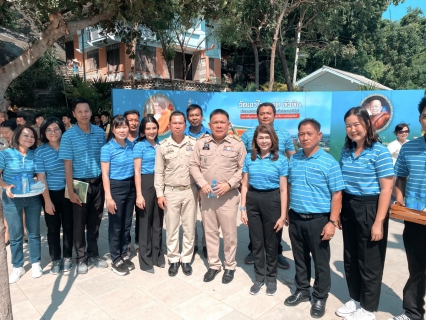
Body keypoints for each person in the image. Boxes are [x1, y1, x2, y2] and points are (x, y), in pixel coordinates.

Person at [336, 107, 394, 320]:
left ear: (367, 124)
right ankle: (355, 299)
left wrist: (379, 221)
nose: (352, 129)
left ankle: (368, 309)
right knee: (350, 256)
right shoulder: (346, 150)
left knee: (370, 260)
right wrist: (340, 211)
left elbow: (387, 189)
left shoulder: (380, 151)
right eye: (349, 125)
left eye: (356, 124)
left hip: (371, 207)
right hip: (350, 206)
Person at [284, 118, 344, 318]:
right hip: (296, 217)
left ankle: (320, 296)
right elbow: (289, 186)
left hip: (319, 220)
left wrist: (332, 222)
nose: (305, 137)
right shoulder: (295, 159)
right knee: (300, 259)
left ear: (319, 136)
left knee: (320, 262)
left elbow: (337, 194)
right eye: (301, 134)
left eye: (309, 133)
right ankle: (302, 290)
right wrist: (286, 213)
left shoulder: (329, 163)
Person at [190, 109, 246, 284]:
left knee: (229, 234)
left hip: (228, 196)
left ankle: (230, 266)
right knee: (210, 231)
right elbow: (193, 165)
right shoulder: (201, 143)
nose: (219, 125)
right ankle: (214, 265)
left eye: (223, 122)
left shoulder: (237, 144)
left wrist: (229, 184)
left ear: (228, 124)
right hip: (207, 195)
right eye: (216, 122)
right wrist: (202, 184)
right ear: (210, 125)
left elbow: (243, 169)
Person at [241, 102, 295, 268]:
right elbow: (240, 157)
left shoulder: (284, 135)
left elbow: (291, 156)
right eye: (262, 113)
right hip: (253, 186)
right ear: (257, 116)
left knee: (275, 222)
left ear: (274, 115)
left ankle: (276, 252)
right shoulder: (248, 134)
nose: (265, 116)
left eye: (268, 113)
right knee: (254, 224)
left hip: (276, 187)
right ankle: (254, 249)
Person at [58, 97, 108, 274]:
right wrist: (71, 191)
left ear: (91, 112)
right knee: (78, 223)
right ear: (73, 114)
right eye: (79, 111)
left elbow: (104, 160)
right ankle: (80, 258)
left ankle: (93, 254)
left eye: (86, 111)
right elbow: (67, 165)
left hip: (98, 183)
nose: (84, 114)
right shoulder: (68, 136)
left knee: (95, 221)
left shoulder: (100, 133)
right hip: (79, 183)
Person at [239, 124, 288, 296]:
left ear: (273, 139)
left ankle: (272, 278)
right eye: (261, 137)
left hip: (272, 200)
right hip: (253, 200)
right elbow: (244, 184)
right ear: (256, 140)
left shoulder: (280, 160)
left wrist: (283, 215)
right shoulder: (249, 159)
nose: (264, 141)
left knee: (271, 243)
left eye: (267, 137)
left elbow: (283, 189)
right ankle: (259, 278)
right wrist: (243, 208)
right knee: (257, 243)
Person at [389, 97, 426, 320]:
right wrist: (400, 199)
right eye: (424, 116)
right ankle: (413, 312)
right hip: (415, 217)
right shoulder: (409, 147)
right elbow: (400, 177)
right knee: (417, 268)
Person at [154, 111, 197, 277]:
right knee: (171, 228)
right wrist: (160, 194)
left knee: (189, 227)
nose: (178, 126)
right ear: (169, 125)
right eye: (174, 123)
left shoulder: (194, 143)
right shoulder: (163, 146)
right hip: (170, 191)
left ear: (185, 125)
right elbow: (159, 172)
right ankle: (173, 259)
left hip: (190, 190)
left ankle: (186, 259)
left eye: (181, 123)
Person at [0, 125, 43, 283]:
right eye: (26, 136)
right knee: (16, 234)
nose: (29, 139)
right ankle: (17, 266)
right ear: (17, 136)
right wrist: (5, 186)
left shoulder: (35, 155)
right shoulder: (5, 155)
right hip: (12, 198)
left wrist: (38, 181)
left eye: (32, 136)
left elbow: (39, 175)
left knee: (34, 232)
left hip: (32, 198)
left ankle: (36, 262)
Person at [35, 118, 73, 275]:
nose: (53, 132)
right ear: (44, 132)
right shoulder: (40, 151)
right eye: (49, 129)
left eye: (56, 129)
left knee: (69, 226)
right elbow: (41, 177)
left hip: (69, 192)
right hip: (50, 193)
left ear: (62, 130)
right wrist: (47, 201)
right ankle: (56, 259)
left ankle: (68, 257)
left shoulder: (68, 147)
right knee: (53, 228)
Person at [101, 115, 136, 276]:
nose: (122, 130)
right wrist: (108, 197)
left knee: (126, 224)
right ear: (113, 129)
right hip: (115, 187)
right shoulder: (107, 148)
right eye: (118, 127)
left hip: (131, 186)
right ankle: (115, 259)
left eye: (124, 127)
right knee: (115, 225)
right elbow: (105, 175)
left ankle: (123, 253)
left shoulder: (131, 145)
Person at [134, 116, 165, 273]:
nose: (151, 131)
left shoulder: (161, 144)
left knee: (158, 222)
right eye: (148, 129)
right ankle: (145, 260)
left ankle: (157, 255)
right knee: (145, 221)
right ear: (143, 130)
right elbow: (137, 171)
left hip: (160, 183)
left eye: (154, 128)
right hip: (145, 182)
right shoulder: (139, 146)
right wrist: (139, 194)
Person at [184, 104, 210, 258]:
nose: (194, 118)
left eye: (197, 115)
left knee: (207, 215)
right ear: (188, 118)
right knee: (190, 216)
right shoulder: (182, 135)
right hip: (188, 182)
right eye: (191, 115)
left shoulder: (210, 135)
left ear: (201, 116)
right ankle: (192, 244)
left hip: (206, 183)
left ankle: (207, 244)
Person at [124, 109, 141, 255]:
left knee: (142, 214)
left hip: (142, 182)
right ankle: (126, 243)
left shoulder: (144, 139)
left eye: (136, 120)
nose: (133, 123)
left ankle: (139, 242)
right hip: (125, 183)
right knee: (126, 216)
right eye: (130, 120)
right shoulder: (119, 139)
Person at [0, 120, 17, 247]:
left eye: (6, 132)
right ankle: (7, 234)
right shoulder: (3, 147)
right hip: (5, 184)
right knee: (6, 211)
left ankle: (23, 231)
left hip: (20, 184)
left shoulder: (23, 144)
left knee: (21, 211)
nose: (4, 135)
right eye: (2, 133)